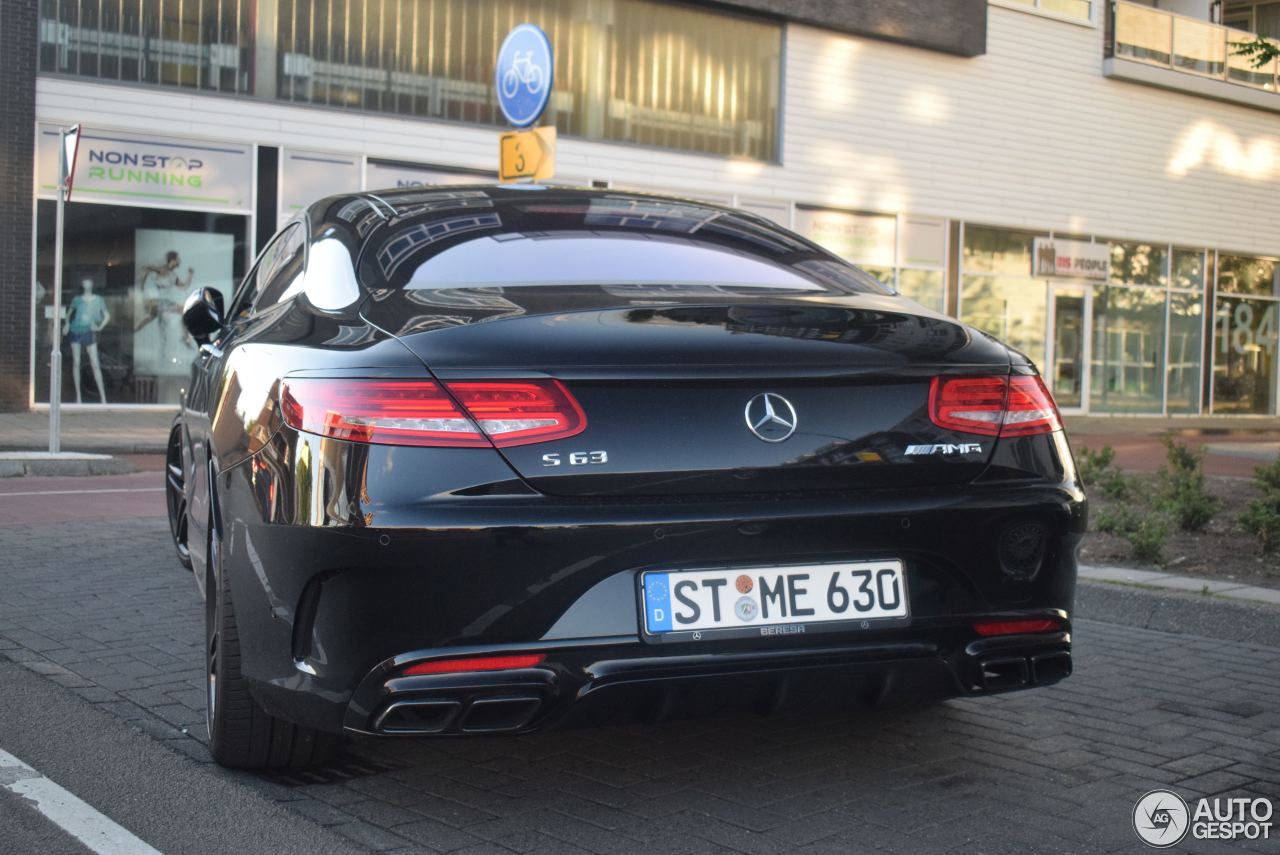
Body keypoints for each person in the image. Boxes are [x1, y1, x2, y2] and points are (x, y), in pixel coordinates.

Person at [63, 277, 110, 404]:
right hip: (75, 330)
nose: (87, 283)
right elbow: (68, 314)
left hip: (89, 331)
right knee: (76, 362)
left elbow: (107, 316)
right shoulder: (77, 300)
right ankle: (78, 397)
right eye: (84, 281)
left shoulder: (99, 300)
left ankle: (103, 398)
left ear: (93, 284)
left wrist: (100, 327)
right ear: (82, 284)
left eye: (89, 281)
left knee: (95, 363)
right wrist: (67, 324)